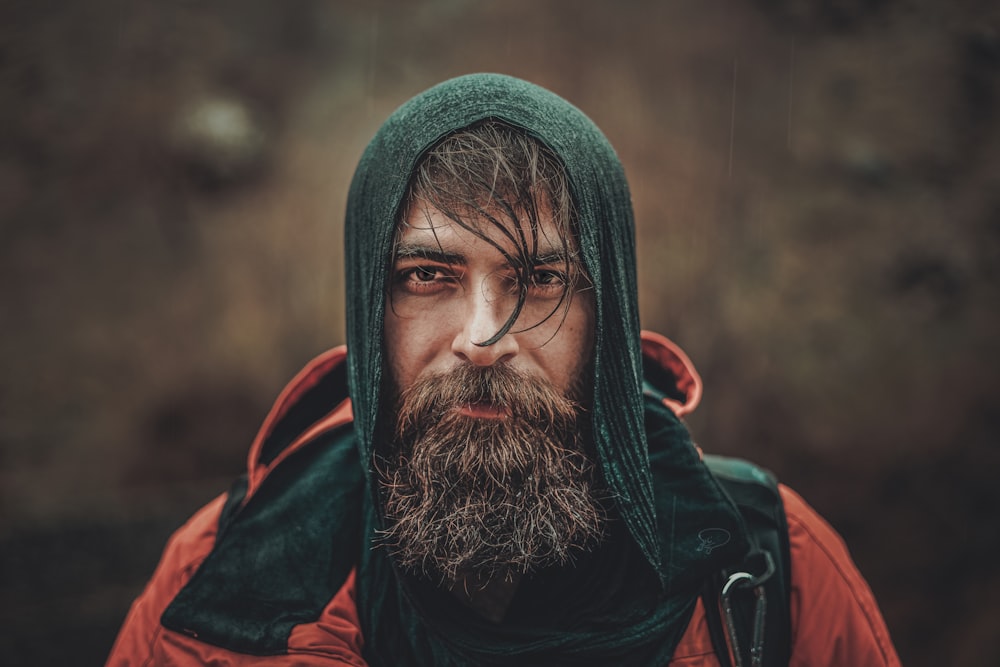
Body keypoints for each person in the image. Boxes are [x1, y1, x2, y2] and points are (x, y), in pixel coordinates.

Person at [107, 73, 900, 666]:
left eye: (540, 279)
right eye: (427, 275)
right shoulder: (215, 587)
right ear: (368, 311)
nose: (483, 337)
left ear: (610, 321)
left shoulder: (769, 570)